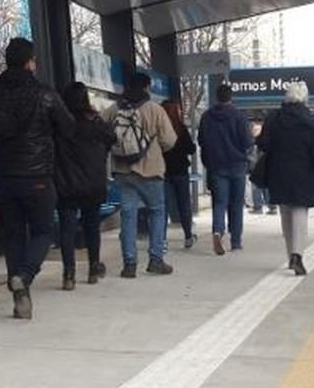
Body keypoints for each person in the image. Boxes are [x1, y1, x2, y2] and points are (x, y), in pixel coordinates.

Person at [0, 37, 74, 319]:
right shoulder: (46, 95)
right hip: (39, 177)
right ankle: (24, 275)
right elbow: (69, 129)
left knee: (13, 236)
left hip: (5, 179)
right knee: (43, 232)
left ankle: (21, 299)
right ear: (29, 63)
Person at [104, 72, 177, 278]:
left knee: (128, 216)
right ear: (146, 87)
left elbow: (102, 131)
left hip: (123, 171)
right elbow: (169, 140)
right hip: (151, 170)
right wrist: (152, 146)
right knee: (157, 213)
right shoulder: (155, 109)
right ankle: (156, 259)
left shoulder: (114, 109)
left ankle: (129, 264)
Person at [257, 82, 314, 276]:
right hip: (304, 171)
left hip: (278, 170)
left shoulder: (273, 118)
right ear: (305, 98)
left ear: (287, 96)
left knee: (285, 211)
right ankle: (297, 255)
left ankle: (290, 256)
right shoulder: (313, 121)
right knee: (300, 211)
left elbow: (264, 144)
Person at [53, 82, 116, 289]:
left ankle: (68, 273)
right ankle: (93, 267)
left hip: (66, 183)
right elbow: (112, 138)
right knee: (92, 227)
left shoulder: (59, 125)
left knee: (67, 229)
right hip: (92, 183)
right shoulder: (95, 122)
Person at [199, 84, 253, 254]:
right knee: (236, 204)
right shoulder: (239, 116)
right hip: (237, 165)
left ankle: (217, 231)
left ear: (217, 97)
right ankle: (236, 242)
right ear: (231, 97)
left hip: (216, 166)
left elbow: (201, 141)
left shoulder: (207, 117)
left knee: (219, 202)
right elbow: (247, 141)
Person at [162, 99, 197, 249]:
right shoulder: (181, 129)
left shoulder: (159, 130)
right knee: (184, 205)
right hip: (181, 171)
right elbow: (191, 149)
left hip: (163, 172)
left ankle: (162, 239)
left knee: (162, 207)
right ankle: (188, 236)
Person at [249, 121, 277, 216]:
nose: (254, 132)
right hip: (262, 168)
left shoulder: (256, 143)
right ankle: (271, 207)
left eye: (256, 130)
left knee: (257, 188)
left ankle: (259, 207)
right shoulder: (263, 142)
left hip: (258, 168)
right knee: (265, 188)